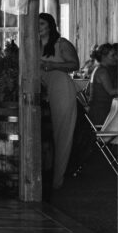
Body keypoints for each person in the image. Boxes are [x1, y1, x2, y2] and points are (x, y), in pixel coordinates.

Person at [39, 12, 80, 190]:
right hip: (40, 91)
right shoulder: (32, 45)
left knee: (62, 133)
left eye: (41, 24)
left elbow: (75, 65)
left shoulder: (61, 44)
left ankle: (58, 179)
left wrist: (54, 65)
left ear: (50, 25)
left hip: (61, 88)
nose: (37, 27)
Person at [69, 42, 117, 178]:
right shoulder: (101, 71)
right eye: (113, 55)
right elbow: (111, 91)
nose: (116, 58)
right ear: (104, 56)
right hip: (101, 113)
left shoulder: (101, 69)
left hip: (101, 109)